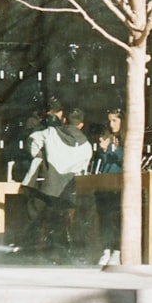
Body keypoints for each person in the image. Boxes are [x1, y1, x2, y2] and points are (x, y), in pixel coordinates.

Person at [16, 105, 93, 261]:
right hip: (66, 190)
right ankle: (56, 255)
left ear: (64, 120)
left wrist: (39, 157)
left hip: (45, 185)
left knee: (34, 221)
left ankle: (29, 255)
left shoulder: (50, 132)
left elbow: (32, 140)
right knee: (58, 223)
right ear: (81, 125)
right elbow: (82, 169)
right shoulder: (86, 146)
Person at [93, 109, 123, 266]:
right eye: (109, 121)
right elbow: (102, 159)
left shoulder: (125, 139)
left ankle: (117, 251)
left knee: (115, 219)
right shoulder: (107, 137)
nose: (111, 125)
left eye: (115, 121)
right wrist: (104, 150)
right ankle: (106, 249)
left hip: (118, 183)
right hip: (104, 181)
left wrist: (111, 150)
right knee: (104, 219)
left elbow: (124, 158)